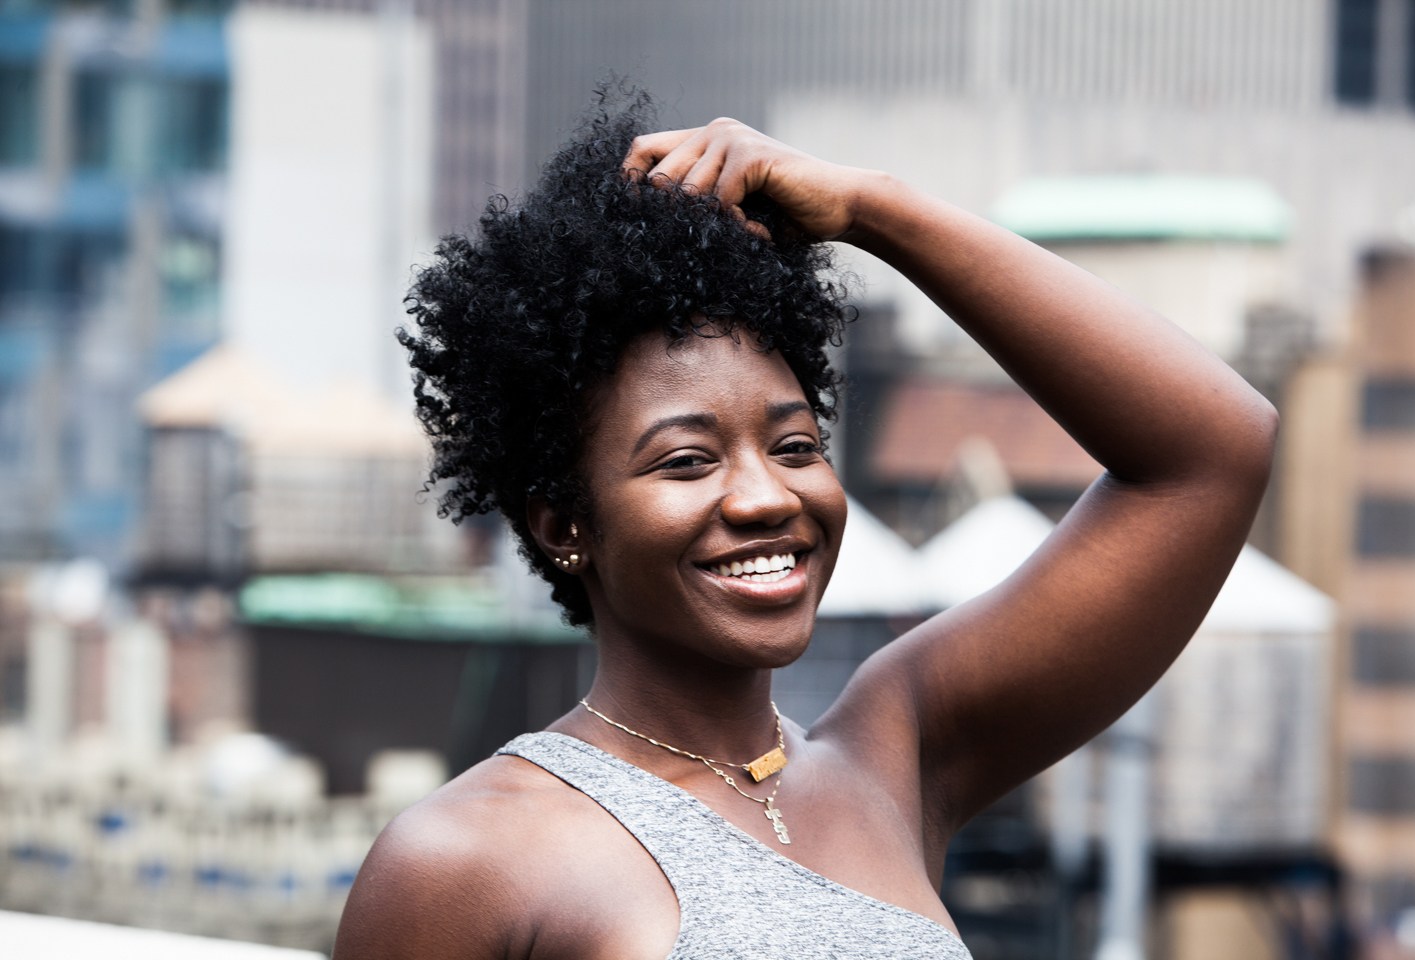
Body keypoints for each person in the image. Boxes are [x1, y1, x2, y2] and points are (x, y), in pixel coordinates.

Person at [332, 91, 1276, 960]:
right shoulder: (466, 861)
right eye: (688, 460)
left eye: (793, 446)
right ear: (561, 524)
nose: (766, 497)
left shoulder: (894, 763)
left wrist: (870, 208)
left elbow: (1214, 451)